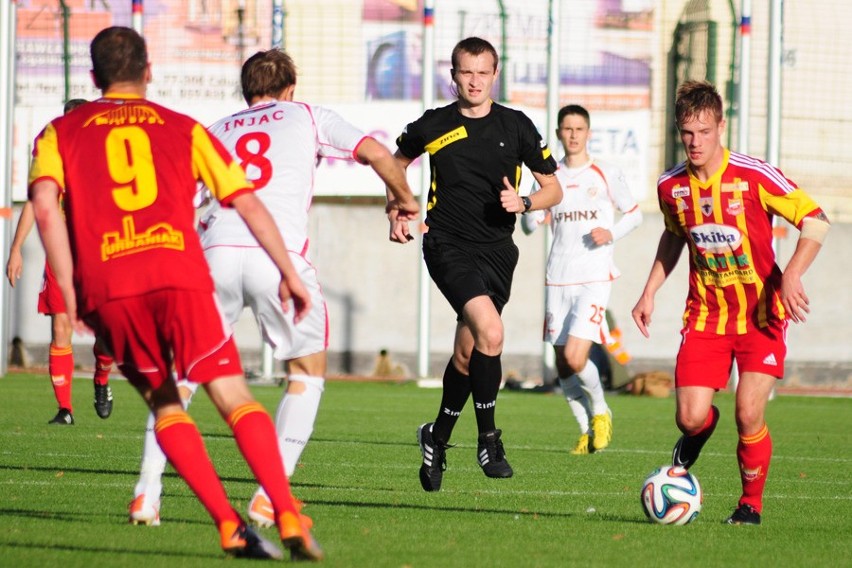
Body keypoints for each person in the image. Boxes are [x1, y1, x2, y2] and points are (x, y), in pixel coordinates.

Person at [29, 26, 322, 560]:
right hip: (182, 276)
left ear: (94, 78)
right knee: (233, 396)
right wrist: (290, 272)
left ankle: (228, 526)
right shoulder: (184, 128)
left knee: (166, 403)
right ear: (149, 72)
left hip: (111, 286)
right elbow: (246, 202)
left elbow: (47, 206)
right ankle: (283, 510)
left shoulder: (57, 132)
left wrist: (70, 287)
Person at [129, 47, 420, 528]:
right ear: (290, 90)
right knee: (306, 370)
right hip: (277, 257)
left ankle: (147, 493)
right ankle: (270, 493)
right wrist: (405, 200)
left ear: (247, 92)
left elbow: (179, 201)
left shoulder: (217, 130)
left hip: (214, 252)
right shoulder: (306, 115)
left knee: (180, 377)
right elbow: (375, 153)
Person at [631, 80, 830, 525]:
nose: (695, 142)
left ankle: (749, 506)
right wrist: (649, 291)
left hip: (761, 316)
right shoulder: (671, 186)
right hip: (706, 317)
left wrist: (792, 273)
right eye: (687, 132)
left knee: (749, 411)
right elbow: (674, 235)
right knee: (689, 418)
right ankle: (702, 429)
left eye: (703, 131)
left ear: (721, 126)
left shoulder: (753, 175)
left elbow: (815, 221)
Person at [389, 36, 562, 492]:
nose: (475, 81)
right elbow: (395, 163)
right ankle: (488, 439)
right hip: (446, 244)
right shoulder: (434, 124)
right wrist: (398, 208)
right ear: (454, 75)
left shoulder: (517, 125)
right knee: (492, 332)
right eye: (467, 72)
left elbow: (553, 190)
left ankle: (437, 436)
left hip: (498, 251)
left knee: (469, 354)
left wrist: (524, 202)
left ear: (494, 75)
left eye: (483, 72)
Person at [521, 104, 642, 455]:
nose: (573, 135)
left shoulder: (605, 172)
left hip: (593, 276)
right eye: (567, 129)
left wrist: (611, 233)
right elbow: (528, 225)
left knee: (576, 357)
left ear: (588, 133)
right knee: (562, 363)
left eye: (579, 129)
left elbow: (634, 215)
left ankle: (601, 410)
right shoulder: (548, 175)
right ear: (559, 133)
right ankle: (585, 430)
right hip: (558, 277)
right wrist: (531, 212)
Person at [6, 98, 115, 425]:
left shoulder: (105, 151)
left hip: (98, 251)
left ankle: (101, 379)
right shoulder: (50, 149)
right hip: (61, 250)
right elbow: (35, 200)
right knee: (61, 326)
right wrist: (15, 248)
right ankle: (65, 409)